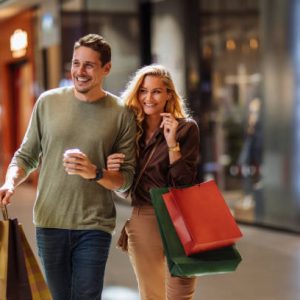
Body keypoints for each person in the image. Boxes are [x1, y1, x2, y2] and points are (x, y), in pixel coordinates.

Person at [0, 33, 136, 300]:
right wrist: (9, 181)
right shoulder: (48, 103)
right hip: (50, 222)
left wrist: (95, 172)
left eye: (89, 65)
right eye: (75, 63)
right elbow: (26, 157)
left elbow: (126, 181)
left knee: (86, 295)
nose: (79, 72)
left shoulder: (120, 113)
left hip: (94, 224)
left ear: (106, 69)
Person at [107, 64, 200, 300]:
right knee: (152, 296)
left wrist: (172, 144)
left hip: (182, 217)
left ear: (169, 94)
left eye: (156, 91)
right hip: (145, 216)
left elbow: (183, 183)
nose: (149, 98)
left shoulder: (186, 129)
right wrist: (112, 167)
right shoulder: (129, 131)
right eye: (143, 91)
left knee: (181, 295)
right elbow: (123, 183)